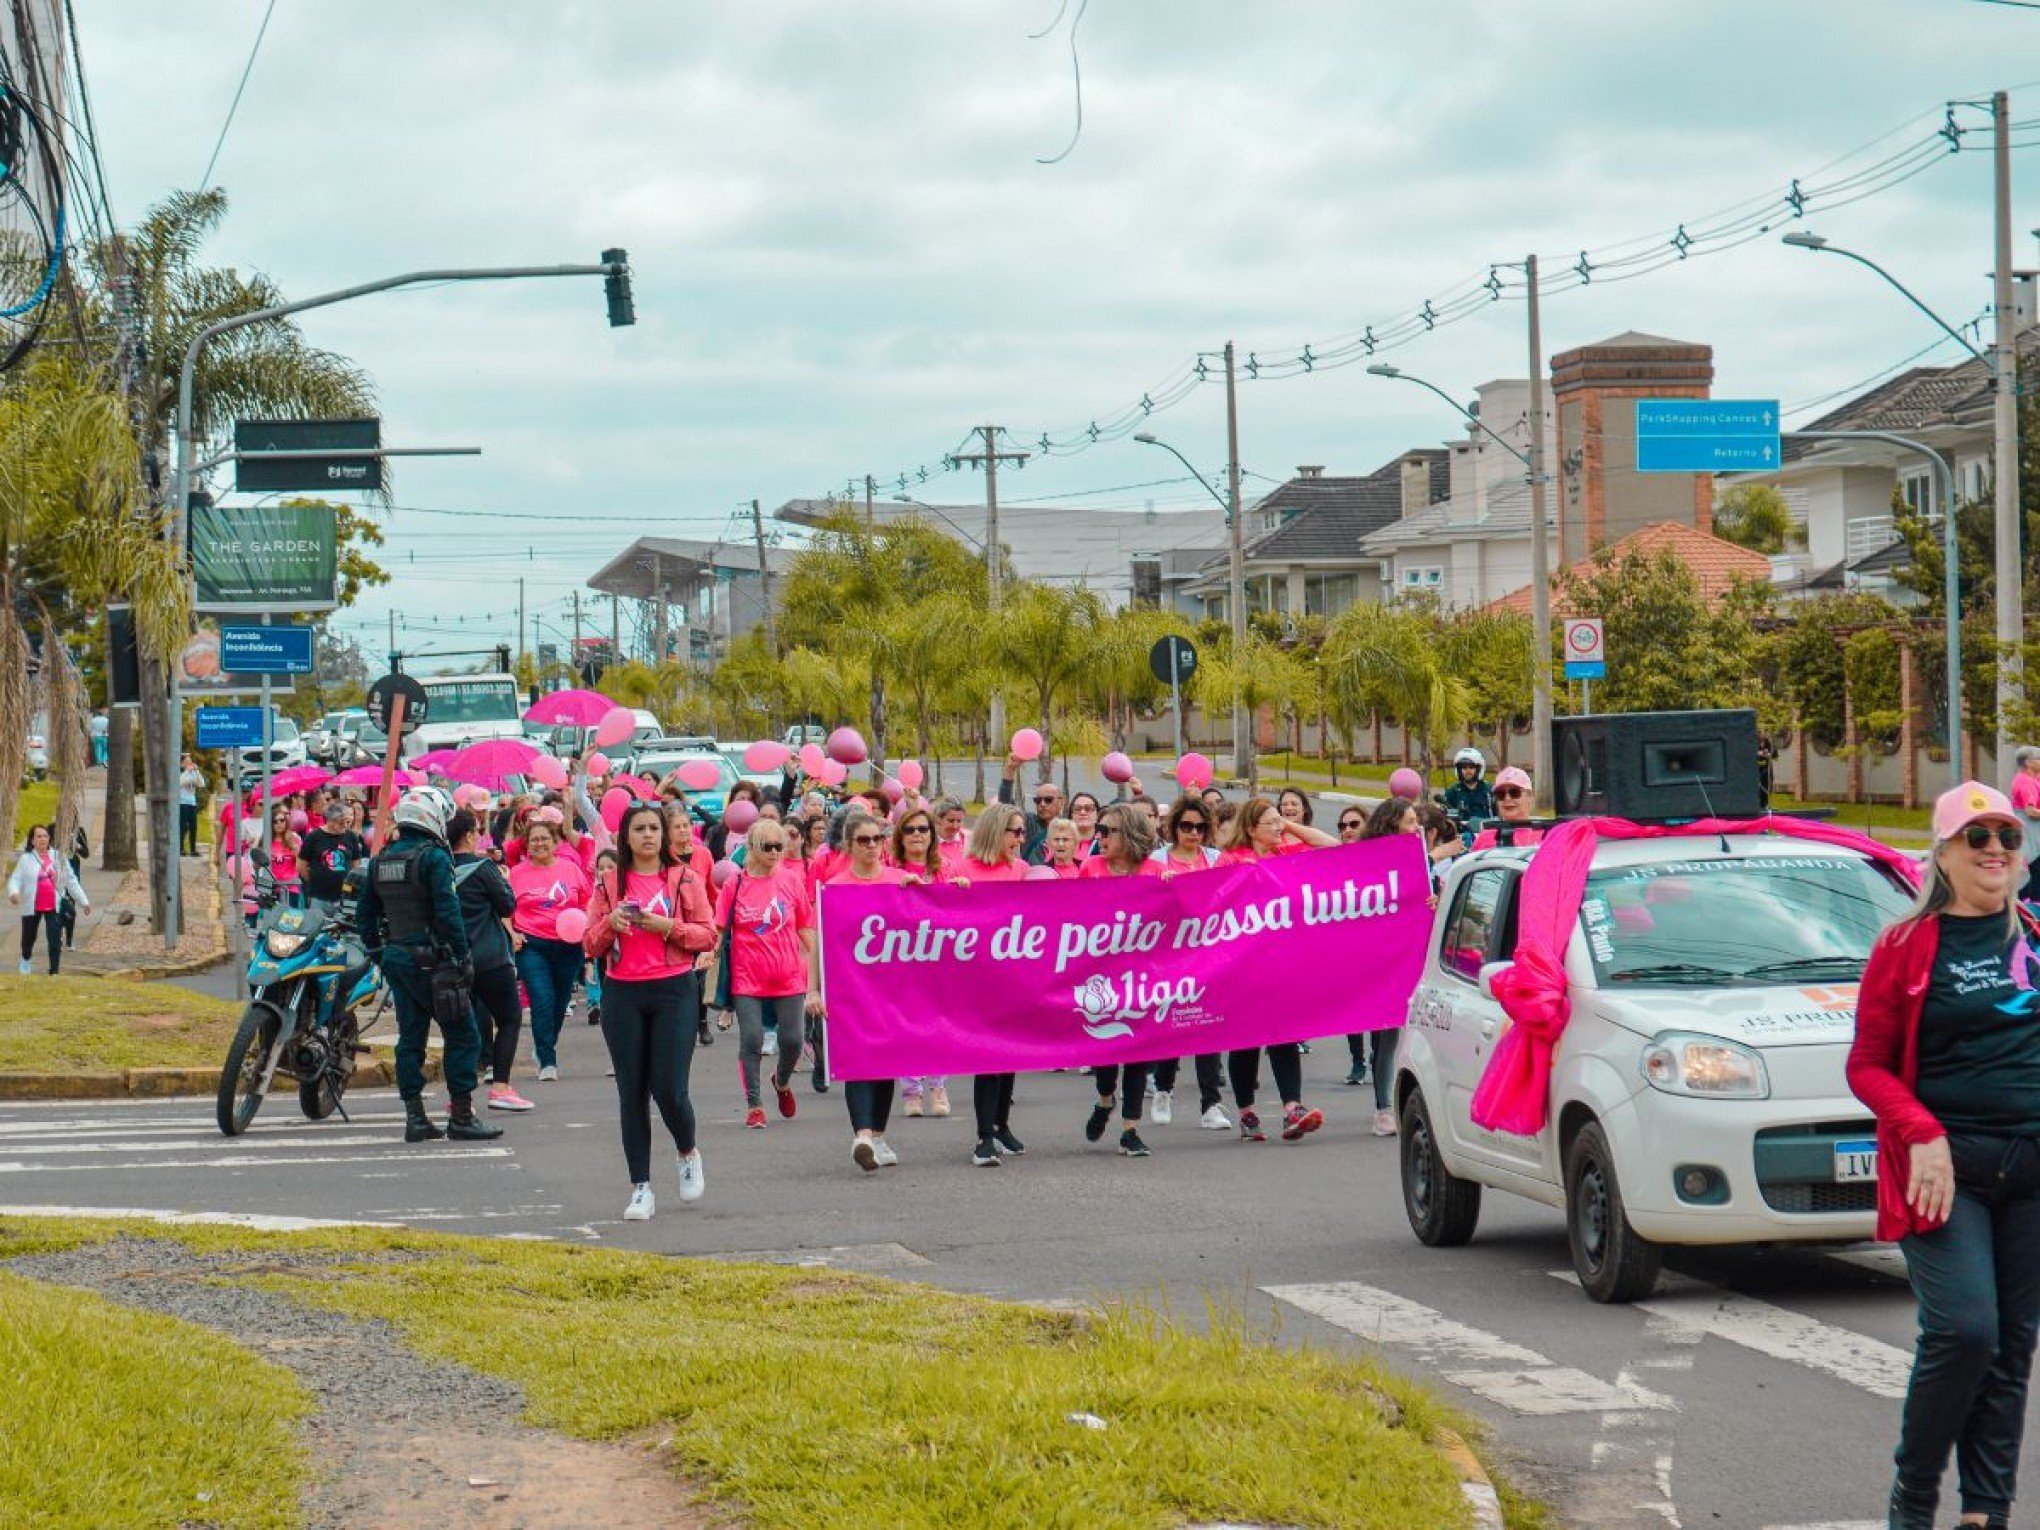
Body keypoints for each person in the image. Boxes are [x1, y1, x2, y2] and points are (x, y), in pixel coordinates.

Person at [1849, 782, 2040, 1530]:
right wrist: (1919, 1131)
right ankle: (1916, 1493)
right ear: (1944, 853)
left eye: (2007, 837)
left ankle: (1984, 1512)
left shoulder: (2032, 933)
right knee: (1966, 1330)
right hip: (1944, 1171)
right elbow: (1865, 1065)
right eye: (1977, 838)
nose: (1995, 850)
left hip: (2031, 1168)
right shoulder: (1904, 946)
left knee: (2011, 1348)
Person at [583, 801, 715, 1220]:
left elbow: (708, 935)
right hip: (623, 994)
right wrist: (610, 926)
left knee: (669, 1089)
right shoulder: (608, 883)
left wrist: (668, 927)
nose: (647, 836)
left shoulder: (684, 878)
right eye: (638, 828)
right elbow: (589, 944)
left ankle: (687, 1152)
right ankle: (641, 1186)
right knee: (631, 1093)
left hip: (674, 989)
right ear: (625, 837)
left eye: (653, 828)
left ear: (665, 835)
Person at [356, 789, 500, 1146]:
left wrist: (381, 954)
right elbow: (448, 913)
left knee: (411, 1038)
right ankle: (462, 1116)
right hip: (436, 963)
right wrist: (463, 957)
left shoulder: (381, 860)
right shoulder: (434, 858)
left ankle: (415, 1117)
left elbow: (365, 919)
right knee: (464, 1036)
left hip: (398, 960)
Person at [1222, 797, 1335, 1142]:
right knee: (1246, 1041)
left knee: (1283, 1032)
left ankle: (1292, 1109)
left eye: (1279, 821)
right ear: (1252, 828)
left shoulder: (1286, 853)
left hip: (1280, 963)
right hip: (1242, 966)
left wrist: (1289, 827)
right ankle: (1246, 1113)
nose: (1278, 826)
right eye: (1270, 822)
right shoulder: (1233, 859)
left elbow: (1329, 845)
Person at [709, 817, 819, 1130]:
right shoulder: (736, 884)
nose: (774, 853)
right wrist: (709, 954)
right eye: (767, 847)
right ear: (752, 850)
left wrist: (821, 963)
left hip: (788, 976)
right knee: (752, 1038)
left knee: (793, 1040)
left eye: (779, 846)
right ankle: (754, 1104)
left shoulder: (791, 881)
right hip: (747, 978)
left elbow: (805, 928)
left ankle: (781, 1082)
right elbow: (720, 929)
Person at [821, 810, 909, 1170]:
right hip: (850, 989)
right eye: (863, 840)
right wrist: (814, 991)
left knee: (886, 1062)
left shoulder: (901, 880)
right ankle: (862, 1135)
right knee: (858, 1062)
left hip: (893, 990)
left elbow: (932, 920)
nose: (872, 846)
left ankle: (878, 1135)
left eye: (877, 839)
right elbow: (820, 943)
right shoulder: (835, 887)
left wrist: (955, 891)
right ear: (848, 845)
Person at [1074, 805, 1160, 1158]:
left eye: (1108, 831)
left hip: (1143, 973)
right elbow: (1073, 916)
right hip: (1101, 973)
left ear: (1130, 834)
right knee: (1106, 1046)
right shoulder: (1091, 867)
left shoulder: (1156, 870)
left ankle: (1131, 1129)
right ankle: (1105, 1099)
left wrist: (1174, 890)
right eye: (1099, 830)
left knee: (1138, 1050)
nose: (1101, 837)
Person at [1143, 795, 1230, 1132]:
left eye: (1200, 827)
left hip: (1209, 958)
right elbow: (1143, 904)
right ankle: (1163, 1089)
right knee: (1175, 1026)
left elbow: (1242, 887)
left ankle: (1211, 1104)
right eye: (1186, 826)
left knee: (1207, 1028)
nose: (1193, 833)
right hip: (1171, 959)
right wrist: (1159, 887)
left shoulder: (1216, 860)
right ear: (1174, 826)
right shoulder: (1157, 861)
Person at [958, 802, 1032, 1166]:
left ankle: (1002, 1125)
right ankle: (983, 1136)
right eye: (1014, 831)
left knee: (1010, 1056)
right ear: (994, 832)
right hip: (978, 979)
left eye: (1022, 832)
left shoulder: (1022, 870)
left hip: (1015, 977)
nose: (1020, 839)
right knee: (988, 1056)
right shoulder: (963, 870)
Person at [1349, 797, 1424, 1133]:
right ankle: (1383, 1108)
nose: (1416, 828)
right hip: (1374, 956)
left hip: (1403, 955)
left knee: (1396, 1032)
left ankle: (1396, 1104)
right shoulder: (1368, 859)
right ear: (1393, 824)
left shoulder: (1415, 856)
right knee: (1385, 1034)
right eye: (1410, 822)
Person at [448, 809, 530, 1112]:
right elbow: (507, 904)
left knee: (462, 1027)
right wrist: (502, 877)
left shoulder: (439, 867)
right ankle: (501, 1087)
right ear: (469, 835)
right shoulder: (483, 868)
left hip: (453, 959)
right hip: (490, 957)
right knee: (509, 1018)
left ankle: (459, 1095)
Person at [508, 818, 591, 1081]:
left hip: (569, 945)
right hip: (533, 945)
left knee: (560, 1002)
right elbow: (505, 909)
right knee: (542, 999)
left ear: (556, 843)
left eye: (545, 838)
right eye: (534, 840)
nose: (540, 843)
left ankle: (545, 1044)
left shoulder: (571, 869)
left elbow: (588, 902)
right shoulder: (517, 873)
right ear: (527, 846)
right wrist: (513, 933)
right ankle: (547, 1060)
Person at [888, 806, 951, 1119]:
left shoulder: (945, 868)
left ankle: (938, 1085)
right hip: (901, 958)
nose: (916, 836)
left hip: (938, 958)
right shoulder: (890, 868)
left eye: (923, 830)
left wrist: (962, 890)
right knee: (907, 1024)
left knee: (938, 1023)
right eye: (910, 830)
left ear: (932, 835)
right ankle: (911, 1089)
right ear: (900, 835)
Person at [10, 825, 87, 975]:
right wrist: (14, 893)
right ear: (32, 841)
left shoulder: (58, 857)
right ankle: (26, 960)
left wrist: (84, 901)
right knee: (29, 937)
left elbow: (71, 880)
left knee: (54, 938)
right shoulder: (26, 859)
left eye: (45, 836)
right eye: (38, 836)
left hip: (53, 905)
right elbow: (16, 879)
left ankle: (54, 970)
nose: (42, 839)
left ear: (49, 838)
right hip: (32, 905)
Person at [300, 800, 368, 914]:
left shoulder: (351, 837)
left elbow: (355, 866)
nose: (345, 826)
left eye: (347, 822)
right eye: (341, 823)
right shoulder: (313, 837)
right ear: (331, 819)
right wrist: (316, 880)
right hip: (319, 897)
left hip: (343, 897)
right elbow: (301, 866)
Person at [997, 757, 1061, 864]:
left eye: (1048, 800)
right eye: (1038, 800)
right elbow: (1006, 806)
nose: (1042, 804)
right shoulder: (1029, 823)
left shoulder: (1069, 826)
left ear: (1061, 802)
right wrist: (1009, 771)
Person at [1470, 766, 1543, 850]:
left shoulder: (1547, 835)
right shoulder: (1486, 836)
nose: (1507, 798)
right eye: (1500, 794)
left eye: (1514, 793)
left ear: (1530, 796)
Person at [2012, 746, 2040, 900]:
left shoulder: (2028, 779)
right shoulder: (2026, 782)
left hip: (2031, 831)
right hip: (2032, 832)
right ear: (2029, 763)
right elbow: (2030, 811)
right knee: (2036, 870)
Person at [1442, 747, 1494, 827]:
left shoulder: (1490, 790)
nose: (1468, 771)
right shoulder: (1452, 792)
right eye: (1464, 768)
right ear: (1459, 770)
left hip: (1486, 833)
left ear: (1478, 769)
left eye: (1471, 767)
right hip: (1461, 835)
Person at [266, 804, 303, 907]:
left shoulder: (295, 840)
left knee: (288, 921)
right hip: (272, 888)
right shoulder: (267, 841)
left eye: (282, 820)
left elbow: (301, 865)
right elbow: (257, 865)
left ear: (286, 822)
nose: (279, 824)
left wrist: (296, 851)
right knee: (273, 921)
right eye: (275, 821)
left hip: (291, 887)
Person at [177, 755, 204, 857]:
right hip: (182, 802)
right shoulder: (180, 773)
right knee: (183, 826)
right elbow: (179, 782)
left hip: (192, 802)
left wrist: (196, 771)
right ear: (182, 763)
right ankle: (180, 848)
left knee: (193, 826)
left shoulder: (193, 773)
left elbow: (201, 784)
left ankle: (193, 849)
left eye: (190, 762)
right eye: (187, 762)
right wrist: (187, 771)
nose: (189, 764)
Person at [1068, 791, 1103, 857]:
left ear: (1098, 814)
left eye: (1088, 808)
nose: (1083, 812)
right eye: (1077, 809)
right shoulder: (1059, 842)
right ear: (1071, 816)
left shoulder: (1106, 843)